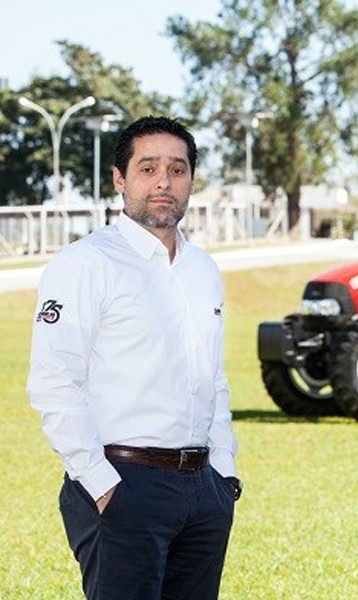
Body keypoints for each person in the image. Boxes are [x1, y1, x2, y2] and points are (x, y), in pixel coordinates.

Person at [27, 116, 242, 599]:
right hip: (121, 484)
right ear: (120, 180)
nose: (164, 181)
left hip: (202, 490)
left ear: (191, 180)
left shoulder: (203, 270)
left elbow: (214, 380)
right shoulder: (86, 263)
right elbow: (53, 380)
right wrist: (103, 485)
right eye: (148, 168)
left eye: (178, 168)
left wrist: (223, 475)